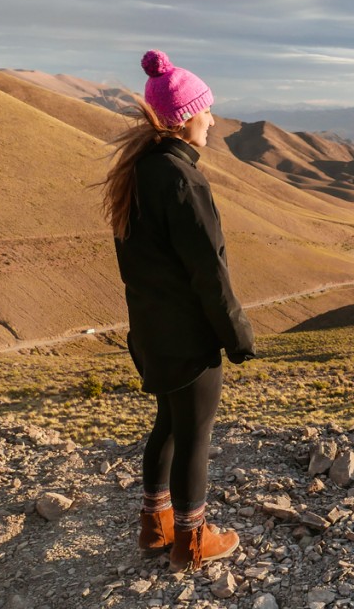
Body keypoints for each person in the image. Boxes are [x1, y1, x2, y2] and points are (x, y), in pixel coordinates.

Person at [98, 50, 255, 572]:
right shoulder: (183, 181)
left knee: (167, 422)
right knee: (194, 434)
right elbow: (208, 270)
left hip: (150, 332)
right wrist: (236, 335)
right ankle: (191, 540)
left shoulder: (139, 171)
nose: (213, 120)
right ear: (187, 117)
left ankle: (154, 525)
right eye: (207, 111)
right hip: (187, 338)